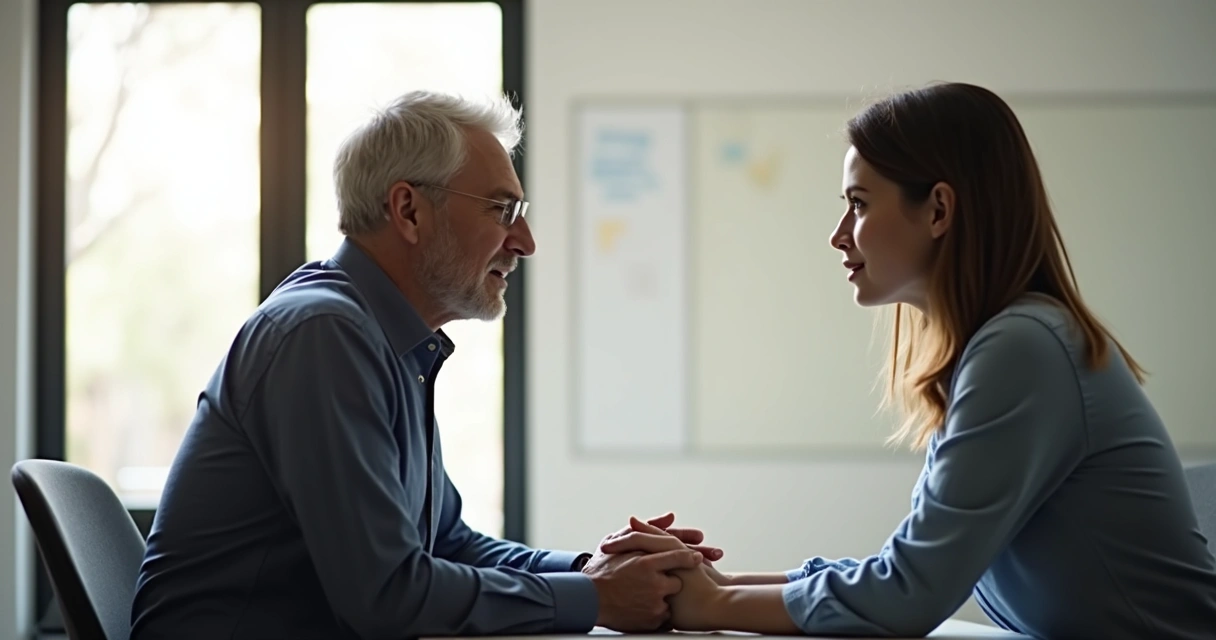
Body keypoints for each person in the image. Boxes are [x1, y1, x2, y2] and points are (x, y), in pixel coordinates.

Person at [616, 82, 1216, 638]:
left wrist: (713, 606)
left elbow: (908, 593)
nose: (839, 234)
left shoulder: (1025, 349)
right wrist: (719, 582)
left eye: (858, 204)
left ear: (937, 210)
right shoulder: (1006, 344)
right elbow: (908, 569)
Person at [130, 91, 723, 640]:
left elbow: (447, 543)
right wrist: (594, 598)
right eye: (501, 208)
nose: (525, 241)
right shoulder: (324, 335)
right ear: (409, 210)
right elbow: (388, 596)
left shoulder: (383, 339)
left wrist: (591, 570)